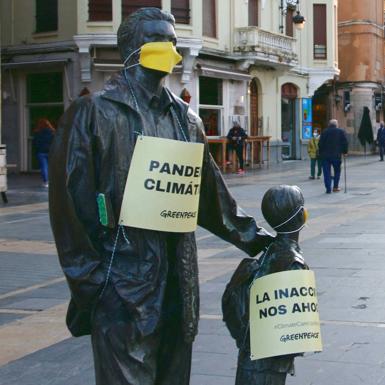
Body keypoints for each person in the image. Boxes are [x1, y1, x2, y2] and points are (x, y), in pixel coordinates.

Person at [48, 8, 272, 385]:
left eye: (173, 40)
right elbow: (68, 206)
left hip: (177, 285)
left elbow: (209, 198)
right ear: (134, 48)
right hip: (121, 287)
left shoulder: (187, 120)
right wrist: (93, 282)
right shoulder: (93, 113)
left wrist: (260, 239)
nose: (171, 48)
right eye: (161, 39)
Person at [223, 185, 309, 385]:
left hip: (250, 356)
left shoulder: (269, 252)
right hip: (268, 365)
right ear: (300, 217)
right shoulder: (293, 263)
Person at [318, 119, 348, 193]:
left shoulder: (324, 132)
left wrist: (321, 152)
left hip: (325, 156)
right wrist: (345, 152)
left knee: (326, 172)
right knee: (337, 171)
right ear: (336, 124)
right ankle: (335, 187)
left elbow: (320, 144)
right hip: (336, 155)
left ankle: (328, 189)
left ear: (329, 124)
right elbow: (345, 142)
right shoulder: (341, 131)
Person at [32, 118, 55, 188]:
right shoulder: (53, 132)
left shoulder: (37, 132)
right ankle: (53, 181)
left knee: (44, 167)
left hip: (41, 152)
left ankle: (46, 182)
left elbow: (35, 143)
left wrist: (37, 150)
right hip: (51, 152)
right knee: (51, 167)